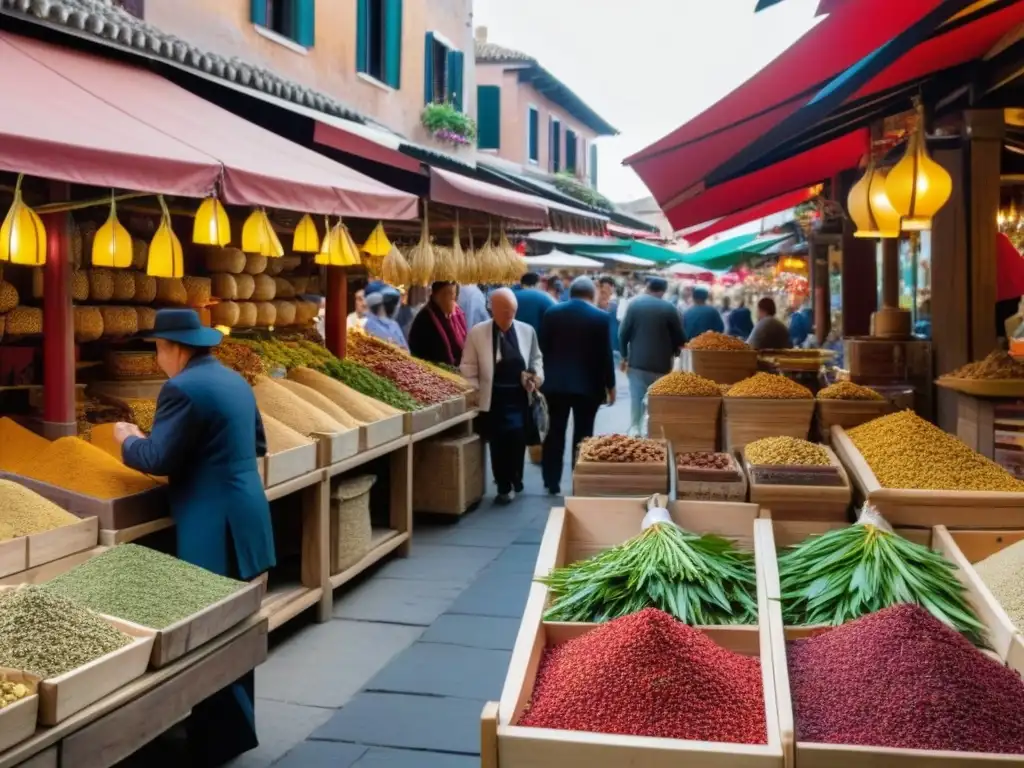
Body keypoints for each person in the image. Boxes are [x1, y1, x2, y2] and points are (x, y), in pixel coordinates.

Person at [114, 309, 274, 766]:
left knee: (210, 631)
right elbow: (258, 445)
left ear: (176, 348)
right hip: (246, 511)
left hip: (213, 522)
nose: (157, 359)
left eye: (159, 349)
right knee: (237, 625)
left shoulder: (181, 388)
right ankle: (233, 733)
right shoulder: (233, 381)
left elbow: (158, 457)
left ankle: (213, 742)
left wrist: (126, 438)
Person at [461, 288, 543, 504]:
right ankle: (503, 485)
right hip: (493, 396)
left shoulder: (527, 331)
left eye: (513, 311)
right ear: (492, 310)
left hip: (518, 396)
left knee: (517, 439)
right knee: (497, 442)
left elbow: (536, 359)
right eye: (505, 311)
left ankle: (516, 476)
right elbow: (468, 366)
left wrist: (535, 377)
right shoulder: (478, 333)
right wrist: (475, 389)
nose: (510, 316)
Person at [539, 277, 615, 495]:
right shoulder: (601, 317)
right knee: (584, 435)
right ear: (591, 295)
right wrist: (611, 385)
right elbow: (606, 355)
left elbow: (543, 349)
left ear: (570, 293)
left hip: (555, 384)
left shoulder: (552, 313)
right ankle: (579, 478)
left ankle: (551, 480)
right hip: (588, 386)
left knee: (554, 432)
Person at [618, 277, 685, 434]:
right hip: (662, 366)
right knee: (656, 403)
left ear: (648, 287)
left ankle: (635, 432)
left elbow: (622, 334)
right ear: (663, 291)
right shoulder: (670, 309)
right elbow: (681, 339)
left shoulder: (634, 305)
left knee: (637, 400)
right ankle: (652, 436)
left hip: (637, 364)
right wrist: (675, 355)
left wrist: (624, 356)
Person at [408, 282, 468, 366]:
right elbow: (441, 357)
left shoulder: (455, 314)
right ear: (440, 296)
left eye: (455, 296)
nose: (455, 302)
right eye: (451, 297)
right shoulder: (426, 319)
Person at [597, 275, 621, 361]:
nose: (605, 295)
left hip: (614, 349)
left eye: (609, 290)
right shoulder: (594, 307)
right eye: (603, 292)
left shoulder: (618, 305)